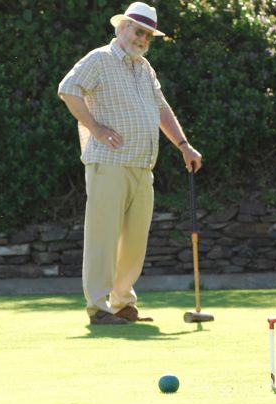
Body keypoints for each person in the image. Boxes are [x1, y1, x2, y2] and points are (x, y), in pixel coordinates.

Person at [58, 2, 203, 325]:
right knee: (103, 238)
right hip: (108, 163)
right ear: (122, 28)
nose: (142, 39)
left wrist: (183, 145)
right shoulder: (100, 59)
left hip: (142, 166)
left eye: (148, 36)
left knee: (134, 241)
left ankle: (122, 302)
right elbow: (68, 90)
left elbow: (161, 108)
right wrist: (96, 128)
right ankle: (98, 307)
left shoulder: (145, 68)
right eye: (139, 32)